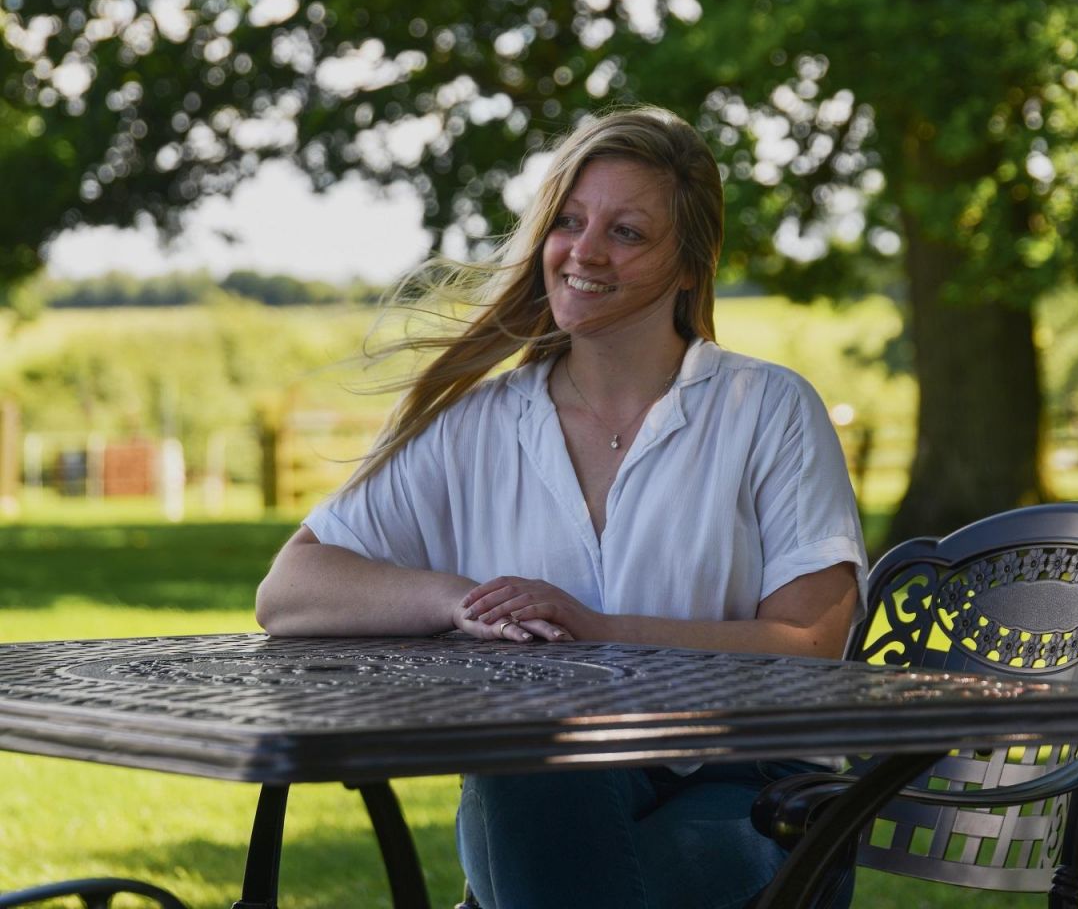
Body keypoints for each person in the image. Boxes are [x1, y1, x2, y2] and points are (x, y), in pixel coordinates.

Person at [256, 106, 867, 909]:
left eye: (626, 232)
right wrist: (457, 602)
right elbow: (291, 590)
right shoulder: (474, 424)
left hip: (749, 783)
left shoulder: (767, 408)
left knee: (551, 860)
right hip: (545, 779)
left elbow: (813, 645)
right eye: (569, 222)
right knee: (532, 765)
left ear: (690, 263)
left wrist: (598, 629)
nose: (583, 252)